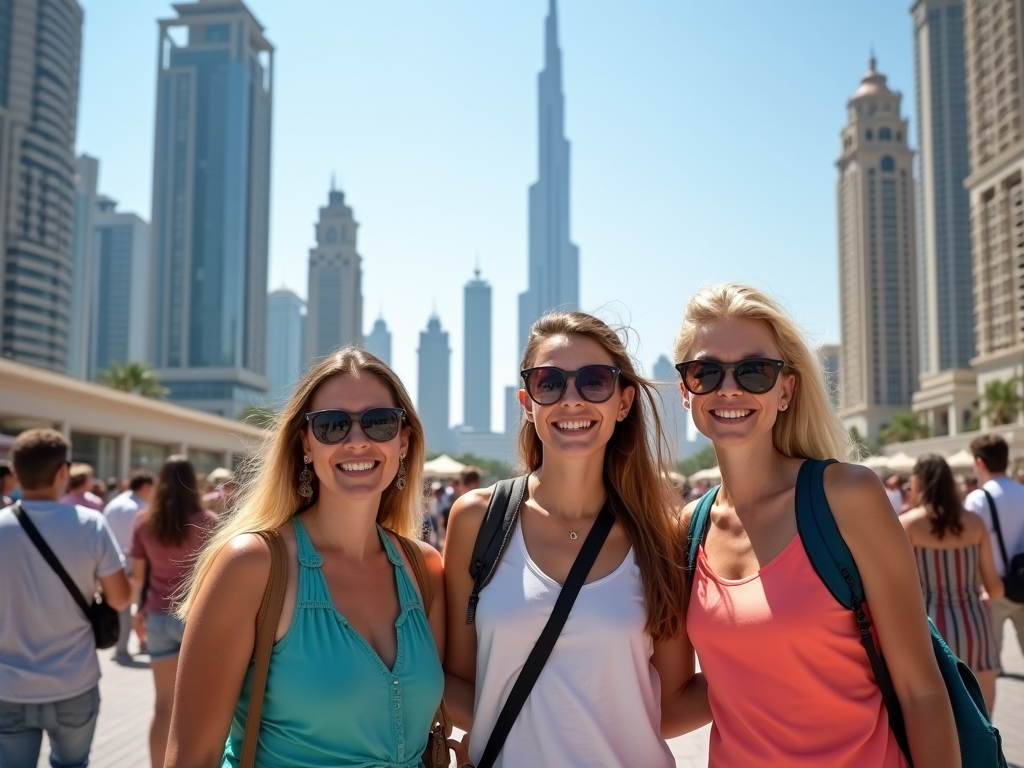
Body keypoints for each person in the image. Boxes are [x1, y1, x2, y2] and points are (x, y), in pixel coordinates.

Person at [675, 284, 956, 767]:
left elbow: (922, 691)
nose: (729, 388)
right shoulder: (688, 529)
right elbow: (672, 704)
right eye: (705, 372)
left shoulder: (847, 497)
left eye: (755, 371)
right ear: (685, 391)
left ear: (786, 389)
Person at [443, 312, 708, 768]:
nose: (571, 399)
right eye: (549, 383)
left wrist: (777, 670)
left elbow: (671, 702)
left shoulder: (662, 535)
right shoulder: (477, 520)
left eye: (594, 381)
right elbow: (458, 680)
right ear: (528, 402)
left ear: (623, 403)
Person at [165, 348, 444, 767]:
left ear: (403, 440)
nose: (357, 441)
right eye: (332, 426)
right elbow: (192, 756)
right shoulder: (252, 566)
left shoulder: (424, 569)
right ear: (306, 445)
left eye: (379, 422)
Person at [0, 428, 130, 767]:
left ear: (16, 472)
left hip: (8, 687)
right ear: (63, 471)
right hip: (74, 681)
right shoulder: (91, 525)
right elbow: (119, 599)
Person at [129, 456, 217, 768]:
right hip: (196, 618)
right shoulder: (207, 522)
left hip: (157, 615)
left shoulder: (144, 521)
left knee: (164, 706)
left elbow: (138, 577)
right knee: (200, 707)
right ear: (193, 482)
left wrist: (137, 612)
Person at [899, 454, 1002, 713]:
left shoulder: (909, 524)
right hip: (975, 624)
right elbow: (995, 588)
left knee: (944, 717)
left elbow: (898, 586)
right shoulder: (974, 523)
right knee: (983, 717)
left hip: (932, 627)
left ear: (918, 483)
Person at [965, 434, 1024, 660]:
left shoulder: (978, 500)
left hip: (992, 589)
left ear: (980, 462)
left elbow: (969, 549)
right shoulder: (1022, 492)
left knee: (987, 663)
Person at [104, 468, 155, 660]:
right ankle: (142, 643)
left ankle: (122, 647)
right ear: (146, 486)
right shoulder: (143, 509)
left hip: (113, 562)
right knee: (142, 605)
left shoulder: (113, 504)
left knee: (123, 606)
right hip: (138, 562)